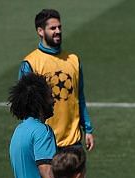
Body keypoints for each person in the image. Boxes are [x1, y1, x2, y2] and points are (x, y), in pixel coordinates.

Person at [20, 9, 95, 151]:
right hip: (44, 140)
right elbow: (25, 105)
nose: (58, 31)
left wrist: (88, 129)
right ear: (40, 31)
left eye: (59, 27)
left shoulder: (73, 60)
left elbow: (80, 97)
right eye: (53, 28)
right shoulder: (31, 63)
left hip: (73, 142)